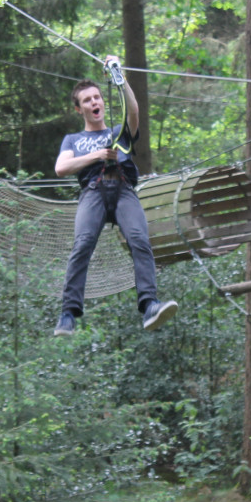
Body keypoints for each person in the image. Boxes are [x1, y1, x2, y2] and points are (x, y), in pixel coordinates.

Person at [53, 56, 178, 336]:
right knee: (82, 245)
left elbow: (133, 113)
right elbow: (61, 168)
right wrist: (96, 155)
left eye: (97, 97)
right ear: (79, 109)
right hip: (93, 193)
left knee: (139, 240)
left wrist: (120, 77)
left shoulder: (118, 132)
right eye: (87, 100)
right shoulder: (73, 140)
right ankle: (68, 314)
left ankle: (149, 306)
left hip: (123, 190)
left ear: (103, 102)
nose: (94, 102)